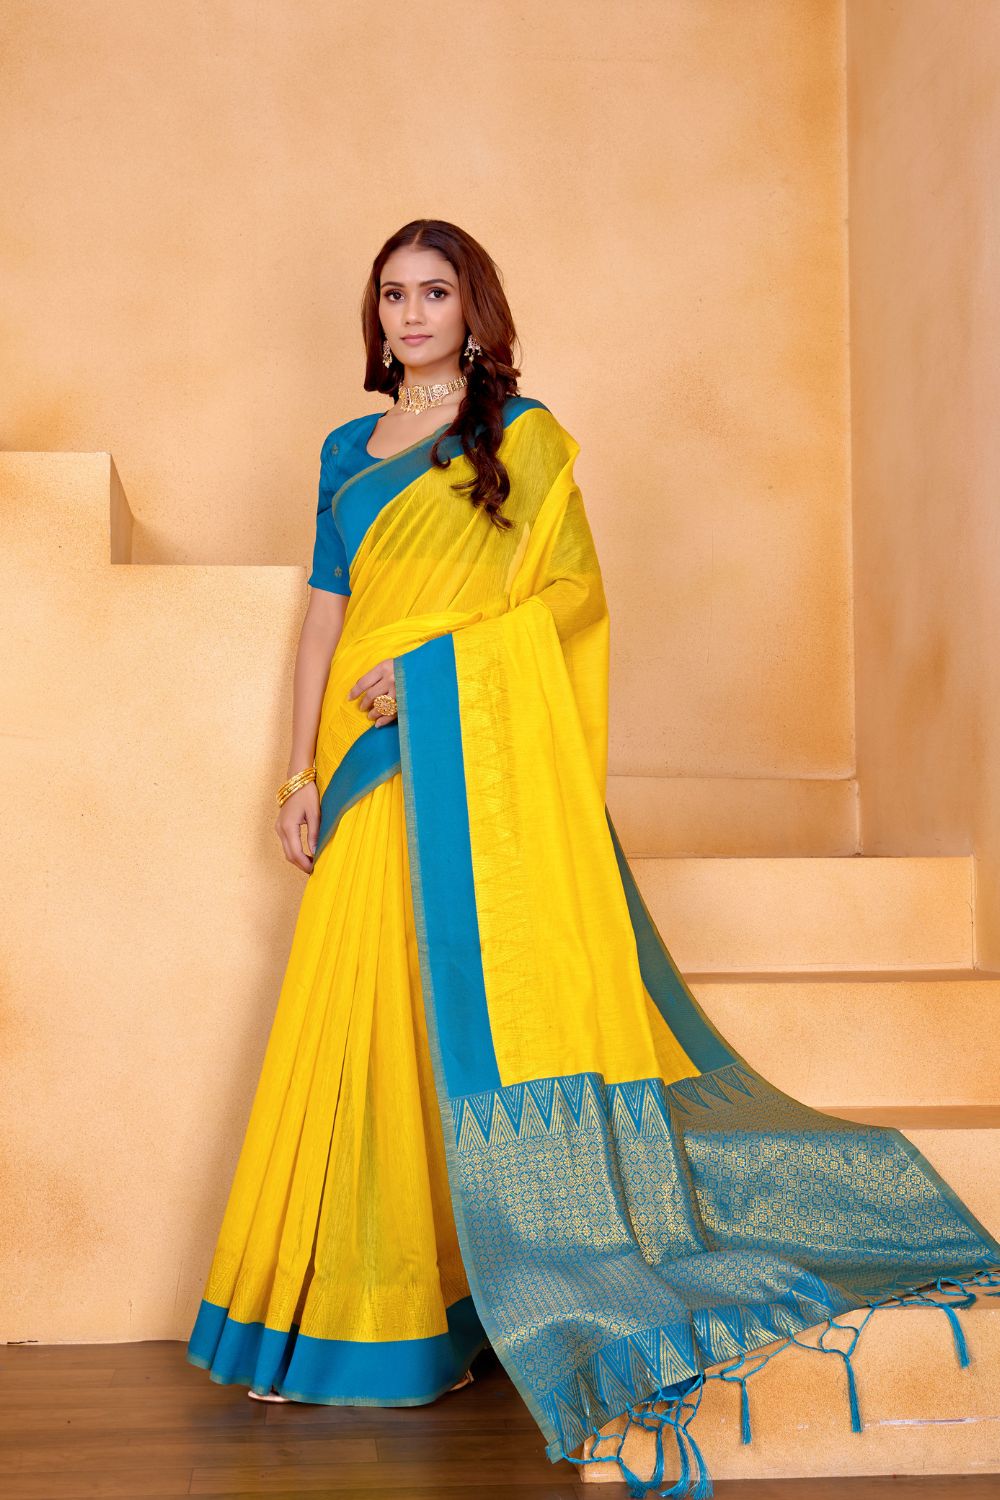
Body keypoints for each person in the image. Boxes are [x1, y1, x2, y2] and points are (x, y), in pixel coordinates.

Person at [187, 219, 1000, 1498]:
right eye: (393, 294)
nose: (411, 314)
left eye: (435, 292)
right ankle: (360, 1315)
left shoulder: (523, 437)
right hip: (362, 764)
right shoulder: (347, 451)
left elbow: (569, 599)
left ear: (473, 309)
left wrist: (439, 672)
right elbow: (323, 620)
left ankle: (447, 1316)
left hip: (461, 757)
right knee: (366, 1021)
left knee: (447, 1018)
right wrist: (294, 775)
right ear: (375, 315)